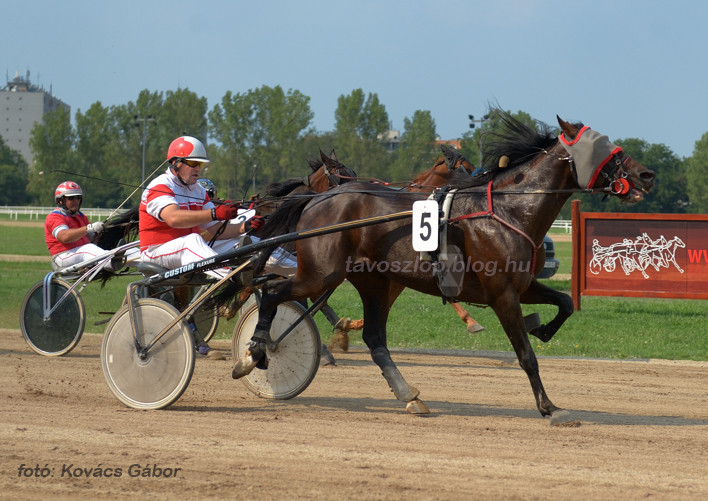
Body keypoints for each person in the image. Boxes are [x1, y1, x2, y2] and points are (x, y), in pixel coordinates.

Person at [139, 136, 295, 359]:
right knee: (193, 242)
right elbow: (172, 218)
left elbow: (214, 229)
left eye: (200, 164)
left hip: (188, 251)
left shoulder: (197, 191)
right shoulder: (159, 186)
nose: (198, 169)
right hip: (157, 252)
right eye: (193, 163)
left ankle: (297, 268)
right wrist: (213, 212)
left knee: (250, 244)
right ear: (175, 163)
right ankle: (232, 276)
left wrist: (244, 226)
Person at [45, 181, 111, 270]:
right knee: (89, 248)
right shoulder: (55, 216)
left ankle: (135, 260)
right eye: (71, 198)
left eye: (78, 198)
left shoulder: (81, 216)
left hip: (80, 254)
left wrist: (100, 231)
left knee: (114, 247)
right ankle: (111, 261)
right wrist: (89, 228)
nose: (76, 201)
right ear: (60, 201)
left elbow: (92, 238)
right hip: (62, 257)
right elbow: (64, 237)